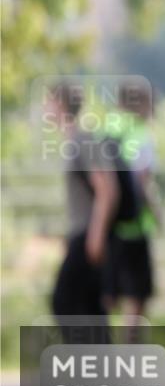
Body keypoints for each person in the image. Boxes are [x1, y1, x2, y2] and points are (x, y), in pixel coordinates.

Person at [47, 82, 119, 339]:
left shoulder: (81, 140)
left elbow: (107, 189)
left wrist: (96, 236)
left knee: (64, 301)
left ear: (62, 105)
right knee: (89, 306)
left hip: (88, 236)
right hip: (82, 235)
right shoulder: (76, 141)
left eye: (50, 103)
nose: (47, 110)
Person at [102, 82, 158, 340]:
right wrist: (156, 212)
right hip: (134, 225)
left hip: (105, 224)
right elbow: (142, 180)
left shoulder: (103, 128)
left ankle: (100, 347)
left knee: (107, 290)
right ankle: (129, 348)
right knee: (136, 293)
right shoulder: (140, 134)